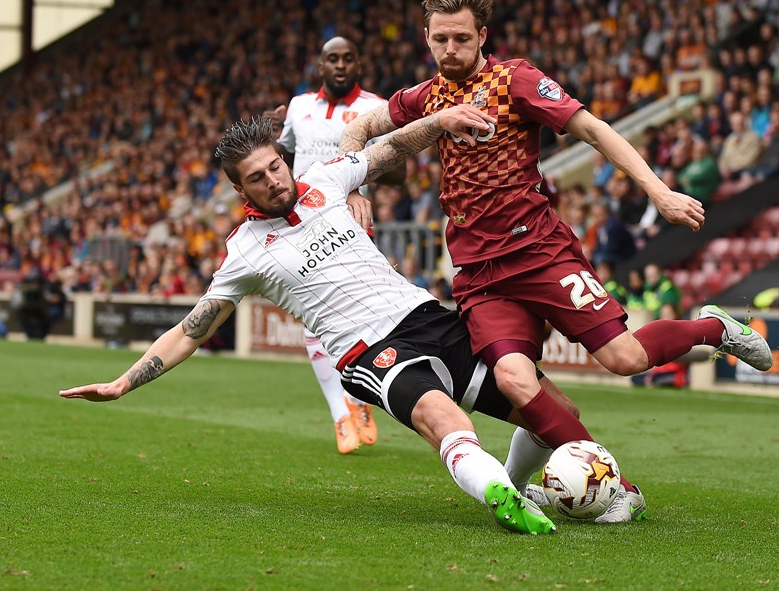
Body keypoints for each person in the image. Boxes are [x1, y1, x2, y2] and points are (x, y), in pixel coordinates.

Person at [341, 0, 773, 523]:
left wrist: (658, 191)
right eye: (440, 39)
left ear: (482, 37)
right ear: (426, 38)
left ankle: (714, 329)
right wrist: (353, 185)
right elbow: (357, 126)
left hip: (541, 252)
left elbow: (593, 129)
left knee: (625, 360)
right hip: (479, 274)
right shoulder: (426, 97)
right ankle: (618, 490)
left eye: (460, 38)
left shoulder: (515, 80)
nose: (449, 50)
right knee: (514, 382)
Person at [60, 112, 562, 535]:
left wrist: (442, 119)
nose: (274, 180)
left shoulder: (325, 177)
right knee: (444, 419)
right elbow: (193, 329)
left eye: (275, 166)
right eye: (257, 177)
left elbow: (389, 149)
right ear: (239, 188)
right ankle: (501, 499)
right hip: (368, 350)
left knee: (549, 411)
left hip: (426, 317)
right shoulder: (244, 252)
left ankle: (515, 483)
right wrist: (125, 382)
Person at [273, 36, 392, 454]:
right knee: (312, 321)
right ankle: (341, 414)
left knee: (358, 316)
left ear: (358, 64)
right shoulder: (298, 106)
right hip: (300, 223)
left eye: (348, 58)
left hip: (349, 220)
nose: (340, 65)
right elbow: (282, 155)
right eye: (332, 59)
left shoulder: (375, 106)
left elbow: (396, 170)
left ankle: (359, 400)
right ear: (320, 65)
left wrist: (359, 182)